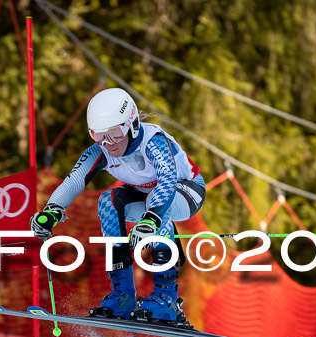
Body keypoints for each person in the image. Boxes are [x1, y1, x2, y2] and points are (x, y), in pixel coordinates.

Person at [30, 88, 205, 322]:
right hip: (147, 196)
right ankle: (123, 293)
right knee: (107, 201)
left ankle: (167, 298)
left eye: (114, 132)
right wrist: (51, 212)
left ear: (131, 125)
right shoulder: (102, 150)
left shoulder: (152, 141)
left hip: (186, 189)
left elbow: (167, 180)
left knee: (155, 200)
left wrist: (151, 220)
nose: (108, 143)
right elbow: (74, 181)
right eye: (98, 135)